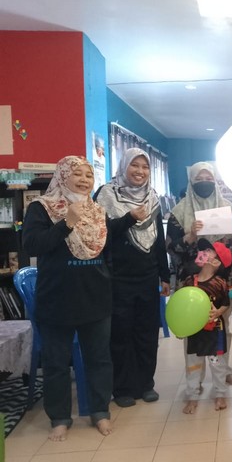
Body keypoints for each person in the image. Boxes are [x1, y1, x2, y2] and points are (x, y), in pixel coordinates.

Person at [22, 156, 122, 441]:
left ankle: (100, 411)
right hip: (57, 298)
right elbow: (32, 245)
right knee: (56, 362)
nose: (84, 180)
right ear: (63, 175)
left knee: (99, 359)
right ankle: (60, 418)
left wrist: (108, 279)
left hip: (95, 297)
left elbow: (107, 251)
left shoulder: (97, 210)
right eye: (77, 173)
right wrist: (66, 222)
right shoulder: (41, 207)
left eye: (89, 175)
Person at [94, 148, 171, 408]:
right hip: (117, 278)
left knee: (147, 332)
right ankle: (123, 388)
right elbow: (99, 234)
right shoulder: (106, 194)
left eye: (145, 166)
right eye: (134, 165)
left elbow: (158, 239)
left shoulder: (152, 197)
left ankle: (145, 384)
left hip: (147, 276)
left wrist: (164, 274)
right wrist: (128, 218)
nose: (140, 171)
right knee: (121, 333)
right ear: (124, 166)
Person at [166, 161, 232, 387]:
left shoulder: (229, 209)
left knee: (222, 327)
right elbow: (171, 248)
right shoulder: (179, 212)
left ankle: (223, 373)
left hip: (222, 282)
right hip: (191, 283)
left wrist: (226, 243)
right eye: (199, 179)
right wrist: (190, 236)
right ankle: (195, 380)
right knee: (192, 329)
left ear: (216, 181)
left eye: (209, 179)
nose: (204, 183)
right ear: (191, 181)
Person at [182, 239, 232, 414]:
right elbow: (182, 306)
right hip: (194, 332)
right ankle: (192, 396)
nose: (204, 252)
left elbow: (226, 303)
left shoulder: (220, 283)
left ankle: (220, 394)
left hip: (215, 332)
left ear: (217, 262)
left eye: (209, 251)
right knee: (193, 365)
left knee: (217, 364)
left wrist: (218, 312)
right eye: (203, 249)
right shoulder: (190, 280)